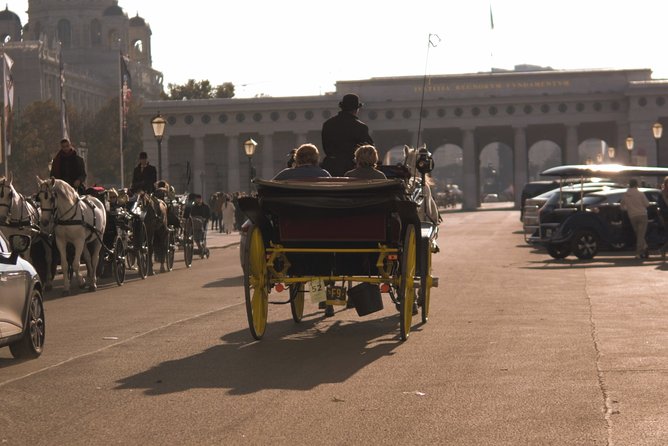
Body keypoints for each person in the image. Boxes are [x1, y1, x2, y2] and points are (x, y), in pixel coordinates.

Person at [321, 93, 374, 176]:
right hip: (351, 168)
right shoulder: (360, 127)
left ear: (342, 107)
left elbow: (326, 147)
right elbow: (369, 150)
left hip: (330, 167)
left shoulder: (328, 124)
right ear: (356, 109)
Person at [620, 179, 650, 259]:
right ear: (636, 184)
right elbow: (647, 204)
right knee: (641, 234)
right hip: (642, 215)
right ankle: (639, 252)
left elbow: (622, 206)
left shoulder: (626, 194)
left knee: (638, 234)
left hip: (632, 216)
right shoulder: (640, 194)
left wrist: (628, 208)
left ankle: (645, 247)